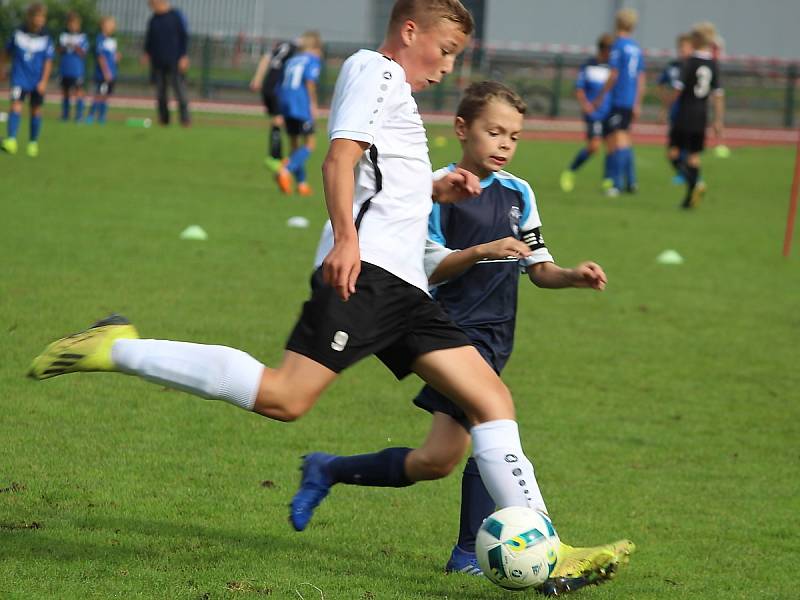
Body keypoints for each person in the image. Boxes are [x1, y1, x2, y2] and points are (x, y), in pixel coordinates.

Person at [28, 1, 627, 592]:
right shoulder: (375, 69)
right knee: (285, 397)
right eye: (444, 51)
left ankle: (551, 549)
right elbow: (339, 157)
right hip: (366, 273)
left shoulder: (400, 96)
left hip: (407, 289)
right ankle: (117, 347)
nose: (447, 67)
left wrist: (436, 189)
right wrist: (345, 238)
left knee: (491, 399)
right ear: (410, 31)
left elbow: (381, 177)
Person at [289, 80, 633, 588]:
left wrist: (571, 276)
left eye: (514, 137)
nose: (504, 145)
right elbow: (431, 269)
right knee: (486, 424)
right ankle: (485, 551)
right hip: (449, 331)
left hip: (497, 337)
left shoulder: (520, 193)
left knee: (437, 459)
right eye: (495, 132)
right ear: (461, 129)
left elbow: (538, 267)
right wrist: (482, 251)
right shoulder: (431, 191)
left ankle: (328, 469)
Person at [668, 25, 724, 209]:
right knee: (693, 156)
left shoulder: (689, 62)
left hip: (685, 113)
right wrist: (718, 120)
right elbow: (718, 95)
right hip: (701, 116)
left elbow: (678, 88)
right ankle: (689, 200)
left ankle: (695, 183)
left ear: (695, 41)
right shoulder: (713, 64)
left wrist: (665, 108)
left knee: (673, 153)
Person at [593, 9, 645, 197]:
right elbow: (641, 78)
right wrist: (638, 102)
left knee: (616, 141)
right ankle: (631, 182)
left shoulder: (618, 46)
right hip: (630, 100)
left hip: (619, 99)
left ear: (618, 24)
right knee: (625, 139)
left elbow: (614, 74)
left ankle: (615, 184)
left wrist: (600, 95)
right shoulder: (636, 47)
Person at [559, 34, 613, 193]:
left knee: (612, 147)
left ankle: (608, 181)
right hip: (595, 113)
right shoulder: (589, 65)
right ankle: (570, 171)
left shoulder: (613, 67)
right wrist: (585, 105)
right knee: (594, 146)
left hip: (610, 111)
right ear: (604, 50)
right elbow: (579, 87)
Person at [0, 2, 53, 158]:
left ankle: (33, 142)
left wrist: (43, 81)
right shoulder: (18, 34)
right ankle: (11, 140)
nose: (39, 20)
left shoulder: (46, 38)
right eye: (37, 17)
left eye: (42, 17)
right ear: (29, 17)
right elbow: (5, 52)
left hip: (36, 81)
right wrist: (2, 69)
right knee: (15, 106)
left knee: (35, 110)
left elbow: (48, 62)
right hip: (19, 78)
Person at [275, 31, 323, 197]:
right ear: (316, 47)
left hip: (286, 102)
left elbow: (281, 83)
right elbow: (310, 82)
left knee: (294, 146)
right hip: (301, 103)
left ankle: (301, 184)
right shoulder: (312, 60)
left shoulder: (292, 60)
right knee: (310, 144)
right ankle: (285, 170)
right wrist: (313, 104)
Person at [250, 38, 297, 172]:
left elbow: (265, 58)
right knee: (280, 120)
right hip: (278, 88)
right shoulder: (296, 51)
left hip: (268, 86)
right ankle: (274, 157)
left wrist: (257, 79)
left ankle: (277, 156)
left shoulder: (282, 46)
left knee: (277, 120)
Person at [143, 0, 190, 126]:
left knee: (179, 90)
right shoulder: (153, 19)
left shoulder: (175, 16)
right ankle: (164, 119)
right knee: (160, 92)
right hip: (158, 62)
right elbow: (149, 39)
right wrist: (146, 53)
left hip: (175, 61)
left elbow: (184, 37)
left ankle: (185, 119)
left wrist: (184, 56)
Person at [658, 33, 692, 185]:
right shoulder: (673, 67)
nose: (682, 50)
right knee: (672, 152)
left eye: (685, 47)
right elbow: (661, 83)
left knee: (686, 147)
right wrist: (665, 106)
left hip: (690, 113)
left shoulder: (694, 66)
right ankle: (688, 175)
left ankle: (688, 176)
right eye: (680, 47)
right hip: (675, 112)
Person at [86, 16, 120, 125]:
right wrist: (106, 72)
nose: (113, 27)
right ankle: (91, 116)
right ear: (103, 26)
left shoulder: (112, 41)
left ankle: (102, 116)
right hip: (103, 74)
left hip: (112, 73)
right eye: (110, 25)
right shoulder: (100, 39)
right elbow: (101, 57)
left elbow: (111, 56)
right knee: (99, 94)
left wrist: (116, 57)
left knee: (106, 96)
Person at [57, 11, 89, 123]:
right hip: (65, 69)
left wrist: (75, 47)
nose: (73, 26)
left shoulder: (82, 37)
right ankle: (65, 115)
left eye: (75, 24)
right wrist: (65, 46)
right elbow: (58, 51)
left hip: (77, 70)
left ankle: (79, 115)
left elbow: (84, 53)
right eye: (70, 24)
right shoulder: (63, 36)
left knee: (79, 91)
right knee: (65, 92)